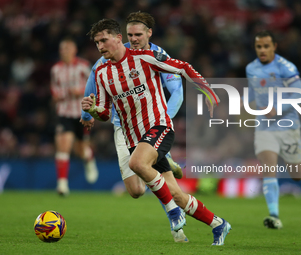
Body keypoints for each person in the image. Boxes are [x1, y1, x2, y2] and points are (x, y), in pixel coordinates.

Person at [82, 18, 231, 246]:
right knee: (177, 194)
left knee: (137, 164)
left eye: (104, 40)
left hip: (158, 126)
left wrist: (207, 90)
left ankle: (172, 213)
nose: (100, 46)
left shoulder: (145, 57)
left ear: (118, 38)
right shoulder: (102, 72)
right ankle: (218, 224)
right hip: (132, 137)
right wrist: (92, 108)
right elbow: (104, 113)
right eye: (96, 43)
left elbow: (182, 67)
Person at [80, 12, 186, 243]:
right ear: (122, 36)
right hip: (124, 128)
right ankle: (164, 163)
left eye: (138, 35)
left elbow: (177, 90)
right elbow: (93, 78)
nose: (134, 39)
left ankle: (177, 227)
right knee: (137, 191)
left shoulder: (156, 56)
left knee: (154, 174)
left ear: (149, 33)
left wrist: (162, 121)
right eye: (130, 35)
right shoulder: (111, 55)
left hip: (153, 125)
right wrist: (85, 112)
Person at [245, 30, 301, 229]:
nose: (262, 50)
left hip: (288, 125)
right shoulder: (251, 68)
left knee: (296, 174)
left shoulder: (286, 67)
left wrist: (277, 109)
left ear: (274, 47)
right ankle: (274, 215)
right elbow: (253, 94)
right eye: (258, 47)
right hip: (264, 126)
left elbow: (300, 94)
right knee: (268, 168)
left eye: (266, 46)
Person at [51, 37, 99, 196]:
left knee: (81, 150)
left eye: (67, 48)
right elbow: (54, 89)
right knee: (63, 145)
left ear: (74, 50)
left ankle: (89, 159)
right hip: (64, 112)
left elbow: (95, 85)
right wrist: (57, 96)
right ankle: (62, 185)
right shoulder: (56, 69)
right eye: (62, 49)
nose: (64, 52)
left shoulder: (84, 66)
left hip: (82, 113)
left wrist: (80, 91)